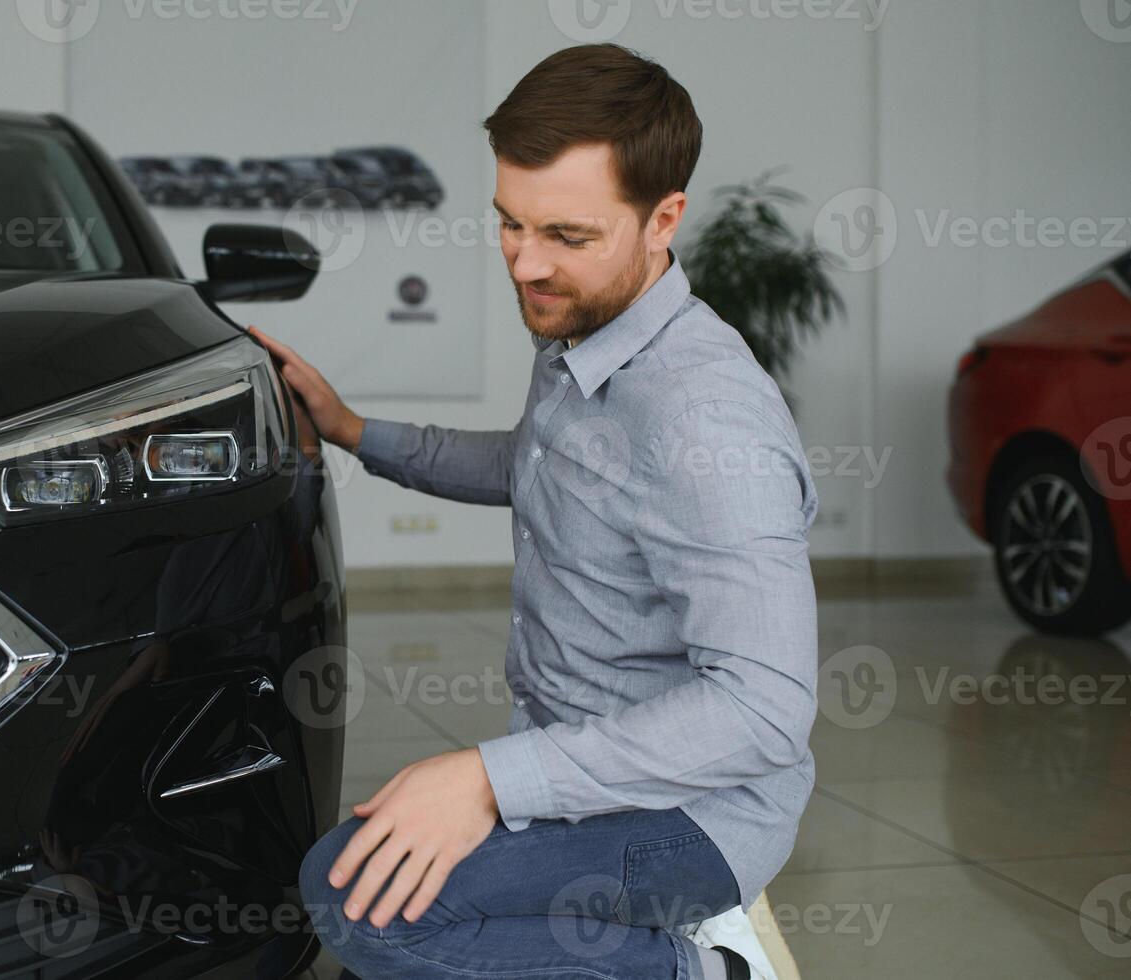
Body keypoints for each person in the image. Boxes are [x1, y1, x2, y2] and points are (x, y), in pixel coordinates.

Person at [249, 43, 818, 980]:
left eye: (566, 234)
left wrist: (481, 778)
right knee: (372, 892)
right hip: (584, 771)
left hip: (692, 819)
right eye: (510, 224)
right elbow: (533, 463)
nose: (524, 262)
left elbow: (763, 711)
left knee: (361, 908)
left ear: (662, 218)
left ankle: (705, 970)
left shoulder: (704, 420)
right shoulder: (586, 329)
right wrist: (353, 429)